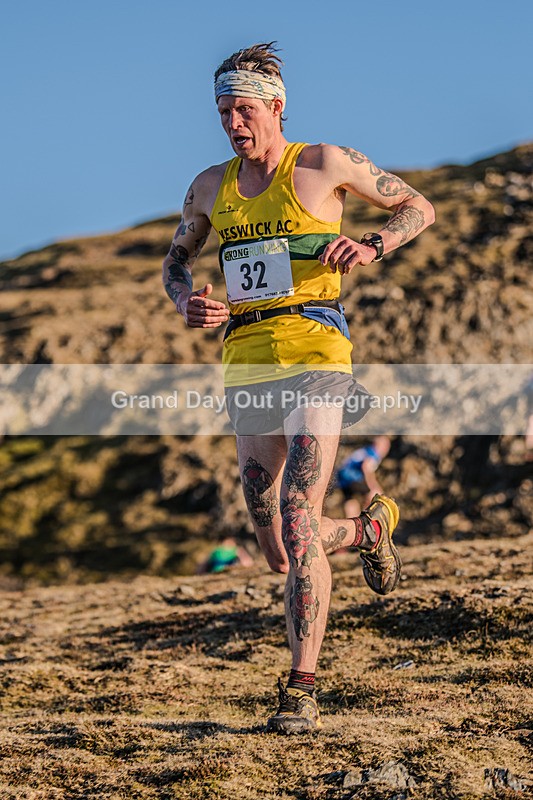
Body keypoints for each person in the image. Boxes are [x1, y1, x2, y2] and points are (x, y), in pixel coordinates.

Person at [162, 42, 435, 734]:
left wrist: (372, 245)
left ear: (275, 106)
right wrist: (185, 303)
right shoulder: (207, 186)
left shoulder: (322, 164)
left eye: (243, 109)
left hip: (316, 346)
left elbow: (417, 208)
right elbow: (175, 262)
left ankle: (300, 689)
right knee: (277, 544)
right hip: (247, 356)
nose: (232, 122)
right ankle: (367, 527)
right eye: (223, 110)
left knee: (294, 510)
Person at [337, 435, 391, 519]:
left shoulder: (366, 450)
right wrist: (373, 486)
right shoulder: (373, 453)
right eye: (385, 446)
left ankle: (351, 524)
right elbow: (366, 467)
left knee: (350, 500)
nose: (386, 449)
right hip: (352, 477)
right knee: (375, 493)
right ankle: (366, 521)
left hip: (342, 476)